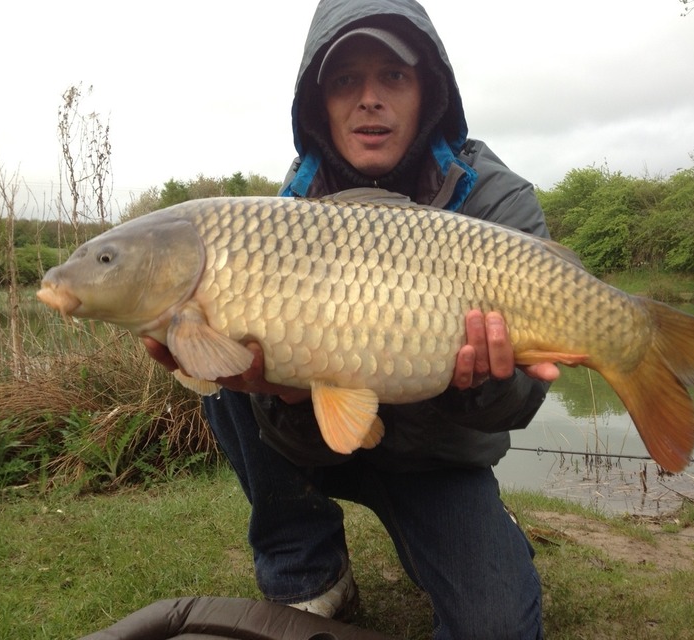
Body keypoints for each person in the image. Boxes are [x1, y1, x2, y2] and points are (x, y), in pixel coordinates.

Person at [145, 0, 557, 637]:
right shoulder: (287, 209)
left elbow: (521, 402)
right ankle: (308, 571)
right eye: (345, 81)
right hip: (323, 436)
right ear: (318, 103)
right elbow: (295, 418)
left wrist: (486, 381)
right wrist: (280, 392)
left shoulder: (498, 200)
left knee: (496, 628)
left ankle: (476, 532)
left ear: (430, 94)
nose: (369, 99)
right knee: (212, 359)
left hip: (438, 457)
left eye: (393, 76)